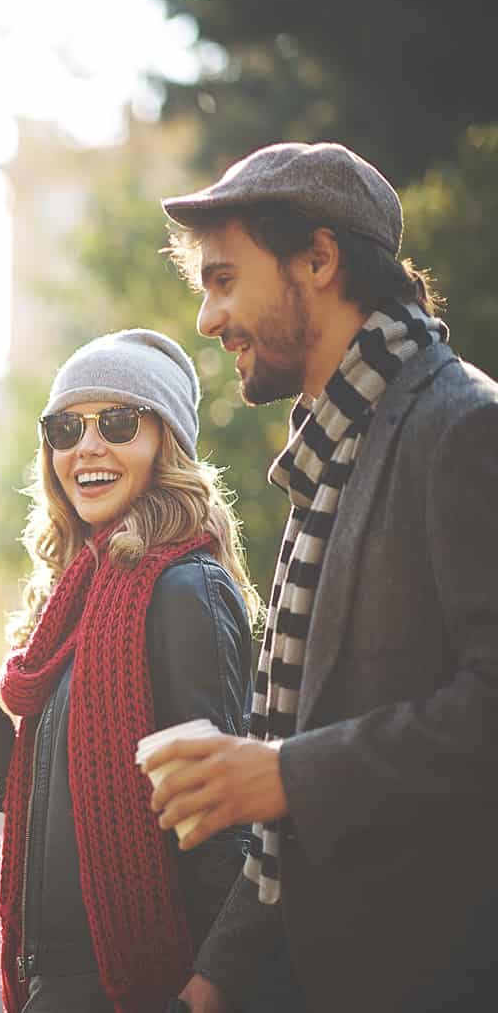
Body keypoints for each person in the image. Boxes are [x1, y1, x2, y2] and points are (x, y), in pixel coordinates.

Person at [144, 141, 498, 1013]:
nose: (207, 320)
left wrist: (287, 775)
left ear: (318, 258)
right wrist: (220, 972)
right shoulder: (332, 449)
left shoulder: (461, 429)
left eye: (224, 281)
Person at [0, 329, 261, 1013]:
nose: (88, 446)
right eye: (67, 427)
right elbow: (105, 781)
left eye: (119, 422)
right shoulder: (75, 602)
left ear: (167, 444)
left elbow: (223, 818)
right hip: (63, 988)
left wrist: (218, 980)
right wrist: (10, 760)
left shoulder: (183, 589)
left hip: (142, 987)